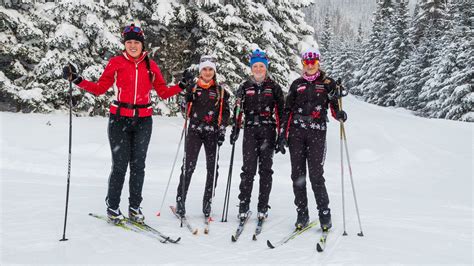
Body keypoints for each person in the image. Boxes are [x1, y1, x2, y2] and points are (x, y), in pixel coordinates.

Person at [62, 24, 190, 224]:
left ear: (142, 44)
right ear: (124, 43)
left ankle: (134, 207)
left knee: (138, 166)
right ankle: (113, 206)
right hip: (119, 119)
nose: (132, 45)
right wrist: (77, 80)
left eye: (136, 42)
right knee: (120, 165)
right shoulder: (116, 63)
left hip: (143, 121)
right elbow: (99, 89)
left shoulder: (150, 65)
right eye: (129, 42)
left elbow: (163, 92)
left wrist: (181, 85)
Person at [276, 47, 347, 230]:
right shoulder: (297, 84)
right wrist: (282, 135)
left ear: (318, 63)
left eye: (313, 62)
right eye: (306, 62)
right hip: (297, 133)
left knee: (316, 175)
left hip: (317, 132)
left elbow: (333, 107)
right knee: (297, 176)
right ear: (302, 64)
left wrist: (339, 113)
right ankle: (302, 213)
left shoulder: (327, 83)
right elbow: (287, 111)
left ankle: (324, 214)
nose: (310, 66)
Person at [229, 49, 284, 223]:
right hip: (251, 130)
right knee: (248, 169)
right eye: (255, 66)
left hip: (268, 130)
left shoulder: (274, 87)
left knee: (265, 170)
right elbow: (238, 110)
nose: (259, 69)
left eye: (261, 66)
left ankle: (262, 206)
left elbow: (281, 113)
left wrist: (282, 135)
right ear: (251, 68)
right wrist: (236, 128)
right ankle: (244, 205)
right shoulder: (244, 87)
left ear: (266, 68)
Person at [175, 55, 230, 218]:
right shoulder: (192, 87)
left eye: (210, 69)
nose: (207, 72)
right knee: (188, 165)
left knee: (213, 167)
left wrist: (222, 131)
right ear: (200, 71)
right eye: (204, 69)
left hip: (211, 132)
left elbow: (226, 113)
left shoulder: (220, 91)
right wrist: (186, 100)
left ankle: (208, 201)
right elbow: (184, 111)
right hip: (194, 130)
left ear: (214, 71)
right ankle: (180, 199)